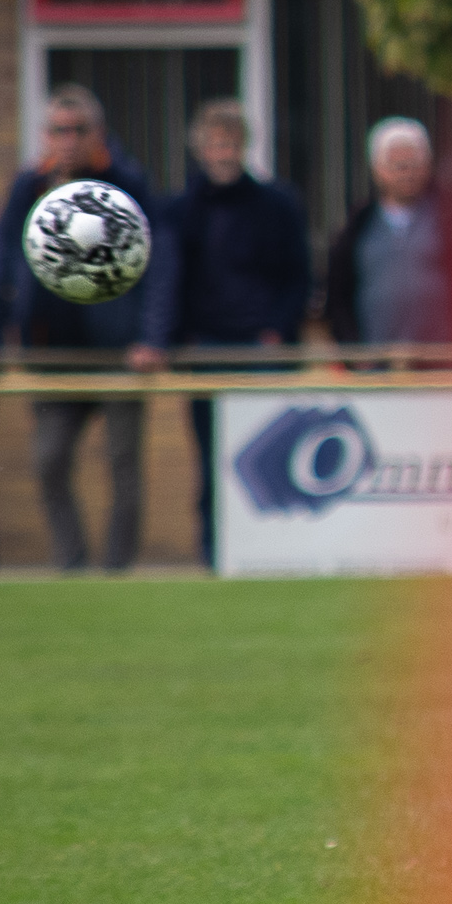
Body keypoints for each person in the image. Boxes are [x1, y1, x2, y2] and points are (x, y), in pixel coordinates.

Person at [0, 84, 168, 573]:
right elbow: (0, 260)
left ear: (99, 134)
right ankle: (72, 565)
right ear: (45, 136)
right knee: (48, 461)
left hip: (119, 352)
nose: (68, 140)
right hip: (54, 352)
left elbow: (160, 266)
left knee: (123, 465)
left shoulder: (127, 185)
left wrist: (151, 338)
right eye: (59, 130)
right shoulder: (29, 188)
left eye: (78, 130)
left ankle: (115, 572)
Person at [156, 99, 310, 566]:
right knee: (211, 461)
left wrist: (278, 331)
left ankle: (270, 552)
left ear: (244, 147)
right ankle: (213, 553)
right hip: (204, 351)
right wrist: (176, 337)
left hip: (261, 351)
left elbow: (298, 276)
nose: (223, 153)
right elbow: (168, 280)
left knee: (269, 455)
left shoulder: (277, 205)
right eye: (215, 144)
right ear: (201, 150)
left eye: (231, 143)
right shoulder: (181, 210)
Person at [325, 118, 452, 349]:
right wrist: (352, 348)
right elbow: (339, 291)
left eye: (415, 164)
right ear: (378, 171)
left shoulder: (451, 219)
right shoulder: (359, 224)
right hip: (375, 357)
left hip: (438, 358)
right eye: (399, 166)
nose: (407, 174)